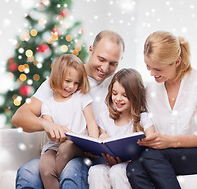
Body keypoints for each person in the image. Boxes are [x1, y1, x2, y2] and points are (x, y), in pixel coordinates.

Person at [12, 30, 125, 189]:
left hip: (91, 158)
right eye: (101, 59)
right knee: (28, 172)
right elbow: (19, 117)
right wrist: (47, 124)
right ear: (91, 50)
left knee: (71, 170)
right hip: (56, 152)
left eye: (113, 63)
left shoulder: (118, 87)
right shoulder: (60, 80)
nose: (105, 68)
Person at [126, 31, 197, 189]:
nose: (151, 74)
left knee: (151, 157)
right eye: (148, 67)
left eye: (158, 69)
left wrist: (169, 141)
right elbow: (146, 121)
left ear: (177, 61)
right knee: (134, 169)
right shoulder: (151, 90)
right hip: (170, 154)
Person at [88, 68, 155, 189]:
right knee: (96, 170)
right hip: (110, 163)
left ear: (135, 96)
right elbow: (103, 144)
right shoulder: (105, 117)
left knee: (117, 171)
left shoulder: (143, 119)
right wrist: (103, 138)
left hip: (133, 165)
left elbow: (152, 146)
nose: (118, 99)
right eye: (114, 93)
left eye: (124, 95)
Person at [39, 54, 99, 189]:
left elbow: (91, 122)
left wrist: (93, 143)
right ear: (57, 77)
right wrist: (58, 131)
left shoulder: (81, 96)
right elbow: (50, 130)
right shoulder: (47, 103)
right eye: (67, 81)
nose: (71, 86)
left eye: (76, 82)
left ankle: (61, 177)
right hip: (54, 147)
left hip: (77, 146)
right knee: (45, 168)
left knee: (67, 147)